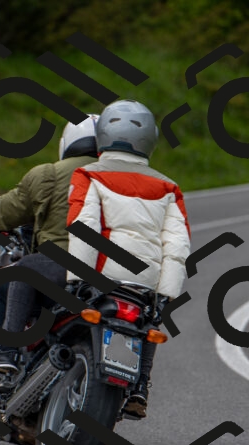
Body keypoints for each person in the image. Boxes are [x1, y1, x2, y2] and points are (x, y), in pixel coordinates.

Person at [66, 99, 191, 419]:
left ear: (102, 134)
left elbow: (84, 228)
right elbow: (177, 246)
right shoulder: (168, 186)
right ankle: (140, 386)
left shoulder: (87, 174)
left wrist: (76, 280)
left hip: (102, 274)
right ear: (150, 139)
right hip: (144, 281)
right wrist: (165, 295)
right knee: (148, 321)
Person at [0, 114, 100, 371]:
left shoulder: (50, 174)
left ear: (68, 142)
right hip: (111, 279)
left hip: (62, 273)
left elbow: (8, 210)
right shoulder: (123, 178)